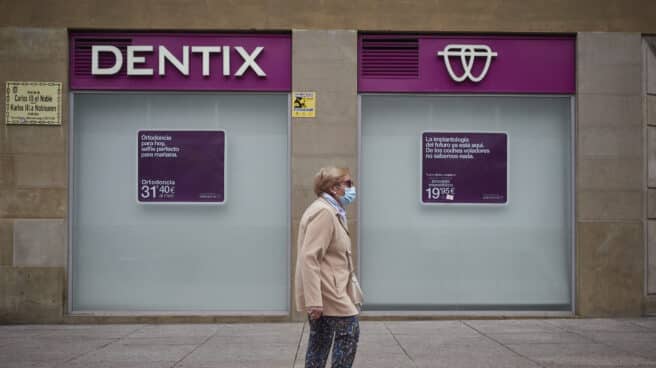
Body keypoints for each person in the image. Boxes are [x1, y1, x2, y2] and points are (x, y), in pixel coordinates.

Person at [295, 166, 361, 368]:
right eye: (348, 184)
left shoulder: (332, 210)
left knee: (320, 343)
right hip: (329, 292)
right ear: (334, 188)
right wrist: (314, 301)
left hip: (330, 289)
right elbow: (310, 257)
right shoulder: (325, 212)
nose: (352, 188)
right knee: (349, 332)